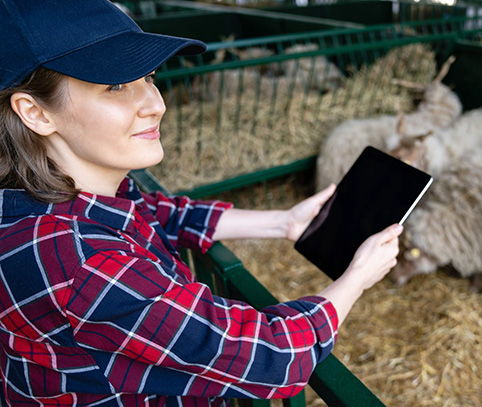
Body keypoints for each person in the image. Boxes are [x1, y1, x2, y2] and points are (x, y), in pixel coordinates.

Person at [0, 0, 402, 405]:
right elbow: (272, 356)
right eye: (116, 85)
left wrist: (283, 222)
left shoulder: (61, 197)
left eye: (150, 77)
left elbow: (156, 213)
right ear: (35, 112)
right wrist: (357, 278)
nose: (156, 104)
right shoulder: (80, 261)